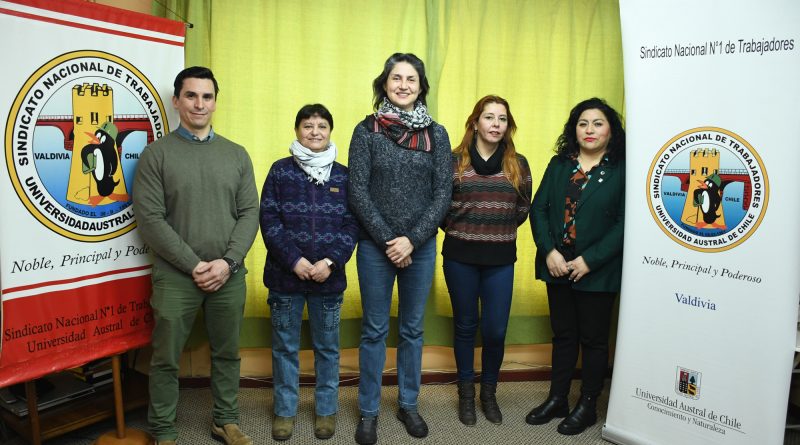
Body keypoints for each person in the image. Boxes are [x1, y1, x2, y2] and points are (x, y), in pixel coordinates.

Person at [133, 66, 259, 445]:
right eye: (191, 96)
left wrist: (227, 263)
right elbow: (150, 219)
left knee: (227, 352)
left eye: (206, 96)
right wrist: (195, 265)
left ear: (215, 102)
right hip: (176, 276)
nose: (199, 104)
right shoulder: (156, 155)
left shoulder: (236, 155)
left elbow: (250, 213)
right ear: (177, 101)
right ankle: (164, 431)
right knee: (166, 358)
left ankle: (225, 420)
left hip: (229, 273)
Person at [347, 53, 452, 445]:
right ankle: (369, 412)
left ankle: (409, 405)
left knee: (412, 329)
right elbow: (357, 191)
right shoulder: (366, 130)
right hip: (376, 248)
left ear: (421, 86)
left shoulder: (437, 135)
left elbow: (443, 194)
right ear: (385, 83)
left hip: (420, 247)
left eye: (411, 79)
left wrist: (412, 239)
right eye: (396, 78)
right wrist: (390, 240)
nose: (404, 85)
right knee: (374, 330)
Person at [525, 97, 625, 435]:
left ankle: (588, 405)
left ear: (611, 129)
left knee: (594, 341)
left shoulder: (622, 169)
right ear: (574, 129)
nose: (590, 130)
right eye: (583, 123)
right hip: (557, 266)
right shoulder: (559, 165)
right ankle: (558, 398)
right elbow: (538, 209)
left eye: (598, 123)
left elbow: (625, 224)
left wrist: (590, 260)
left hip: (597, 270)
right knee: (563, 335)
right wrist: (549, 251)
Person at [260, 104, 359, 441]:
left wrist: (330, 261)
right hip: (285, 277)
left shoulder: (344, 176)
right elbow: (269, 221)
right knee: (284, 347)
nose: (315, 132)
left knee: (328, 349)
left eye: (321, 126)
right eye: (307, 126)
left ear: (330, 131)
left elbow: (352, 224)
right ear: (297, 130)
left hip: (328, 280)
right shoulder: (279, 171)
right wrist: (295, 261)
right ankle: (285, 412)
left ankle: (326, 411)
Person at [441, 95, 532, 426]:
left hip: (500, 259)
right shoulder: (453, 162)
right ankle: (466, 394)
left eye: (502, 119)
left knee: (495, 330)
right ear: (475, 122)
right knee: (466, 326)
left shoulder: (518, 164)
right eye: (489, 117)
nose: (496, 124)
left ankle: (488, 394)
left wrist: (496, 229)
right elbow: (441, 208)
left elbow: (522, 209)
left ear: (508, 126)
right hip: (460, 257)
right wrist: (467, 228)